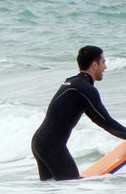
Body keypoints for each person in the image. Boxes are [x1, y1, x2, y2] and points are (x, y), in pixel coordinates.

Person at [31, 45, 126, 181]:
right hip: (52, 146)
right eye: (103, 62)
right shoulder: (85, 89)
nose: (105, 67)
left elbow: (99, 119)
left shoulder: (72, 82)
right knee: (71, 186)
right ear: (94, 65)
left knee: (52, 192)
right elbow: (107, 123)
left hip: (40, 142)